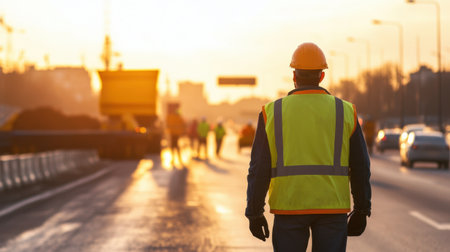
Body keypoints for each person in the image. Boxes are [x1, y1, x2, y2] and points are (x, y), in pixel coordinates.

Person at [245, 42, 371, 252]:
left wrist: (254, 212)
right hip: (333, 208)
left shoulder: (272, 113)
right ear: (321, 76)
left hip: (289, 208)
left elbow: (259, 168)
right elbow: (361, 166)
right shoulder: (345, 111)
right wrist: (362, 209)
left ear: (294, 76)